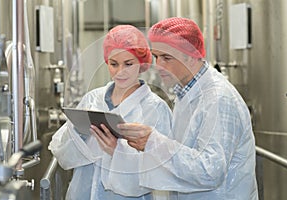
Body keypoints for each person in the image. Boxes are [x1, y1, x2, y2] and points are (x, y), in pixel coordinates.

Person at [115, 17, 259, 199]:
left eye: (167, 58)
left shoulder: (218, 99)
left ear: (191, 56)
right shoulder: (185, 93)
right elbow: (185, 157)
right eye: (156, 57)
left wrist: (154, 143)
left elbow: (210, 171)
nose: (158, 66)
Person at [48, 24, 172, 200]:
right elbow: (62, 153)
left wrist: (118, 151)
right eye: (114, 64)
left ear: (141, 64)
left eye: (128, 64)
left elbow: (162, 170)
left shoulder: (156, 109)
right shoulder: (92, 100)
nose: (120, 71)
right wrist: (78, 133)